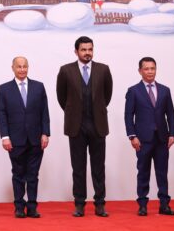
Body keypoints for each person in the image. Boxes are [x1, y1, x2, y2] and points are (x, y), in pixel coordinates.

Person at [56, 36, 113, 217]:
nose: (87, 53)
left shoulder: (103, 70)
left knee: (98, 167)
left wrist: (97, 111)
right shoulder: (66, 71)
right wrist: (73, 113)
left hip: (98, 125)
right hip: (76, 126)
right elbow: (61, 97)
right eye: (83, 49)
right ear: (76, 51)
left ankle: (100, 204)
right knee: (78, 168)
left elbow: (107, 95)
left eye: (90, 49)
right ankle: (79, 203)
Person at [0, 56, 50, 219]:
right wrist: (5, 137)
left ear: (28, 67)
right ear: (12, 68)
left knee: (33, 175)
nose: (22, 69)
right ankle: (19, 207)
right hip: (15, 139)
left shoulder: (39, 87)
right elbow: (2, 114)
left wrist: (45, 133)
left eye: (25, 66)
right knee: (18, 174)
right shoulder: (5, 88)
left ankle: (32, 207)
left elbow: (44, 112)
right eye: (19, 66)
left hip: (36, 139)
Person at [124, 57, 174, 216]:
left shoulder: (165, 90)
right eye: (146, 69)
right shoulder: (133, 91)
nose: (150, 71)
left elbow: (171, 114)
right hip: (143, 139)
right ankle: (142, 204)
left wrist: (172, 133)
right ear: (140, 71)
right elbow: (128, 116)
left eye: (152, 68)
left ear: (156, 69)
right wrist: (132, 136)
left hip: (162, 138)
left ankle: (164, 205)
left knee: (162, 172)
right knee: (143, 171)